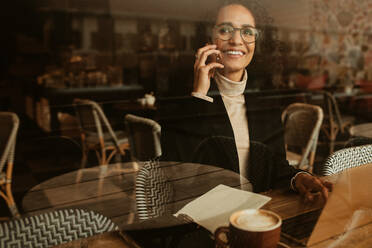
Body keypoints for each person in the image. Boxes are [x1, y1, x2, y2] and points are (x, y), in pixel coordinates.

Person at [159, 1, 332, 201]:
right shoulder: (182, 99)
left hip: (254, 217)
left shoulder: (264, 103)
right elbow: (177, 176)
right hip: (201, 222)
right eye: (225, 30)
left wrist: (298, 177)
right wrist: (199, 96)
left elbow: (275, 166)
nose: (236, 40)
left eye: (248, 32)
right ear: (209, 39)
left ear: (256, 42)